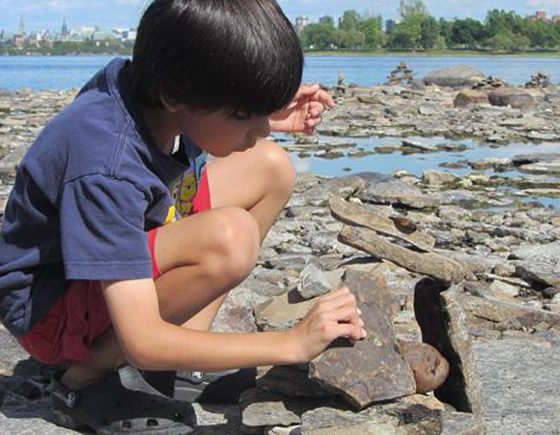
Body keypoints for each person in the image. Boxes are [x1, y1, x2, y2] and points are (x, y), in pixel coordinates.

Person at [0, 0, 366, 433]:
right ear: (176, 96)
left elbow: (208, 119)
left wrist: (255, 111)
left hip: (108, 253)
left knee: (270, 165)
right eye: (241, 115)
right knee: (229, 238)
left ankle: (177, 362)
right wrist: (290, 344)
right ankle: (84, 379)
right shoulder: (106, 165)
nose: (261, 127)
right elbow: (144, 339)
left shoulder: (146, 85)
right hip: (53, 311)